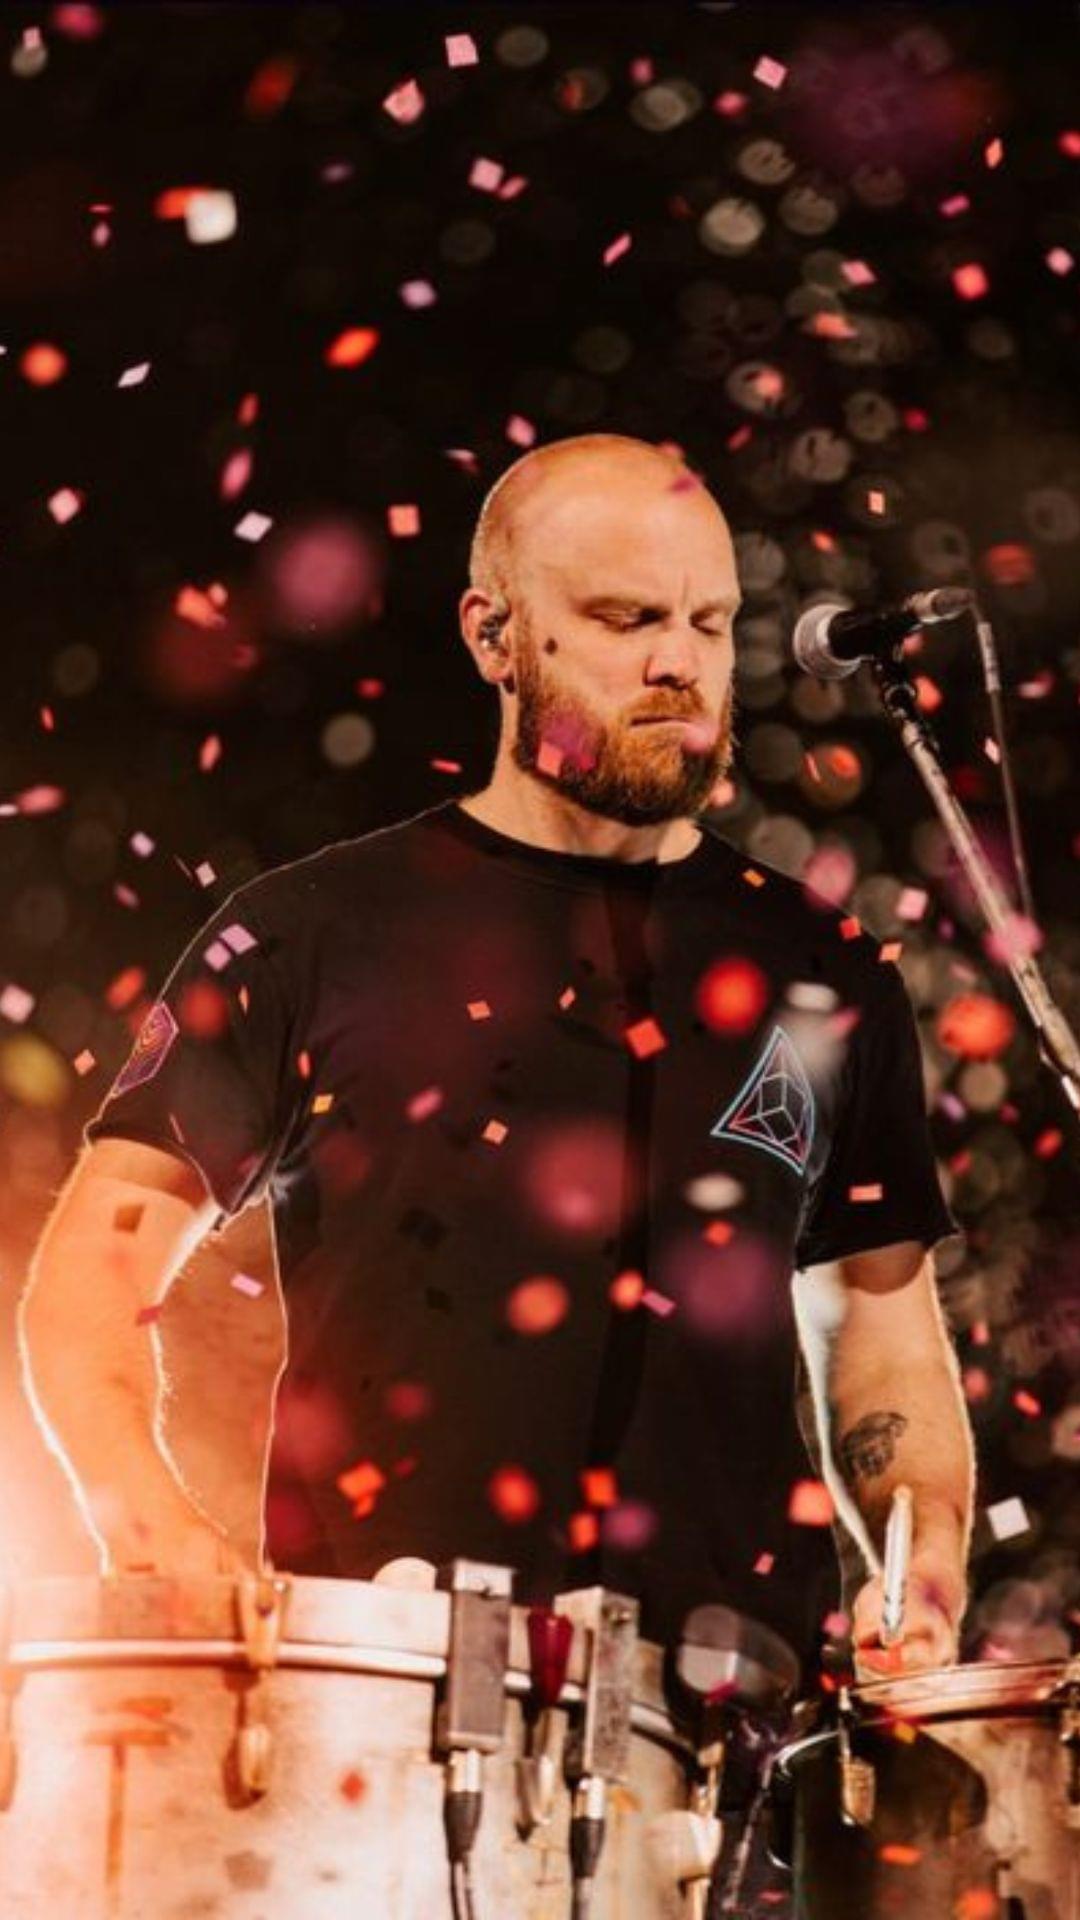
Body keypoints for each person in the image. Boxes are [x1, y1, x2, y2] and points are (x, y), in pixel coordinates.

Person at [19, 433, 973, 1680]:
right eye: (627, 618)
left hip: (730, 1716)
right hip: (377, 1697)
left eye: (709, 620)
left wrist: (925, 1566)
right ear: (494, 636)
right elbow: (92, 1273)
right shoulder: (308, 931)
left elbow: (882, 1333)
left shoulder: (825, 967)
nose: (680, 662)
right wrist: (161, 1538)